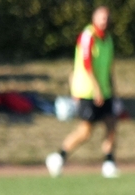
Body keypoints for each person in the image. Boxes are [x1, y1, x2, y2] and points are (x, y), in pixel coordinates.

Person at [45, 6, 119, 178]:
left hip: (104, 91)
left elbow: (109, 68)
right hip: (87, 91)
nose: (105, 21)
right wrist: (96, 89)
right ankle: (59, 156)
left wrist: (112, 90)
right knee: (85, 131)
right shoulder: (88, 36)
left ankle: (109, 162)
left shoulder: (108, 39)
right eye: (101, 17)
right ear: (94, 18)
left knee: (112, 124)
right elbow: (87, 65)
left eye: (107, 17)